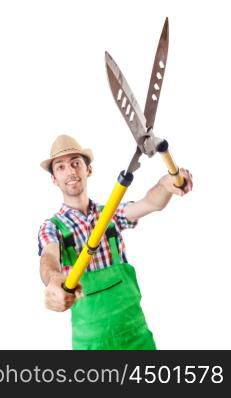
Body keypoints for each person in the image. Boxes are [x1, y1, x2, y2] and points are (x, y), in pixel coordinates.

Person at [38, 134, 193, 350]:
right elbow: (48, 257)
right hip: (91, 345)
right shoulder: (52, 227)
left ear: (88, 170)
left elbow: (150, 203)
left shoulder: (109, 213)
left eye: (76, 164)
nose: (71, 171)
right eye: (61, 167)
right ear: (54, 178)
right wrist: (54, 279)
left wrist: (165, 185)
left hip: (136, 337)